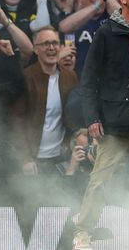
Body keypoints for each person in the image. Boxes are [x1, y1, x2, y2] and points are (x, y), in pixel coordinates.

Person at [71, 0, 129, 250]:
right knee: (99, 182)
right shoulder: (106, 32)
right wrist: (92, 118)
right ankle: (83, 235)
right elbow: (89, 79)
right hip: (113, 123)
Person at [11, 26, 78, 175]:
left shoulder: (70, 76)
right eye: (45, 44)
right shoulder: (26, 77)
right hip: (34, 158)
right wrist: (25, 158)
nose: (51, 48)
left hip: (61, 155)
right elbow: (17, 121)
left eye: (55, 43)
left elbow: (74, 115)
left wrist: (69, 142)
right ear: (35, 49)